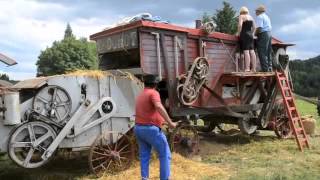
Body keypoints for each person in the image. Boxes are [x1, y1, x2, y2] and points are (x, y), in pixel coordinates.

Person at [134, 74, 177, 180]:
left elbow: (148, 113)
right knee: (165, 154)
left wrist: (161, 121)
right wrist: (170, 122)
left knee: (144, 156)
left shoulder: (141, 95)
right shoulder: (153, 93)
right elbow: (158, 106)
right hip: (150, 130)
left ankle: (144, 178)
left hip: (138, 128)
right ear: (156, 84)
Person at [237, 6, 257, 72]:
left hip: (244, 34)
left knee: (246, 51)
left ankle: (247, 68)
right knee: (252, 51)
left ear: (241, 11)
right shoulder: (251, 17)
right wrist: (252, 34)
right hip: (250, 35)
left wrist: (238, 33)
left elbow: (240, 25)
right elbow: (254, 27)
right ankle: (254, 68)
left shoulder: (241, 16)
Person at [255, 5, 272, 72]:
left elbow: (259, 28)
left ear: (259, 11)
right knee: (268, 51)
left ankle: (265, 69)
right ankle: (270, 68)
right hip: (269, 33)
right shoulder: (267, 17)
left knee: (262, 51)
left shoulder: (260, 17)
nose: (255, 12)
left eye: (256, 11)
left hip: (263, 34)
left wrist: (254, 34)